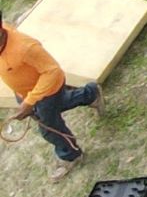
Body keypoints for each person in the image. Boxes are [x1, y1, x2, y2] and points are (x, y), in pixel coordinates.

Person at [2, 15, 98, 179]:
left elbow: (52, 71)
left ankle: (71, 156)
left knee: (49, 128)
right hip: (25, 92)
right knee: (61, 103)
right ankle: (91, 94)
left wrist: (30, 102)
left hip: (47, 91)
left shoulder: (25, 47)